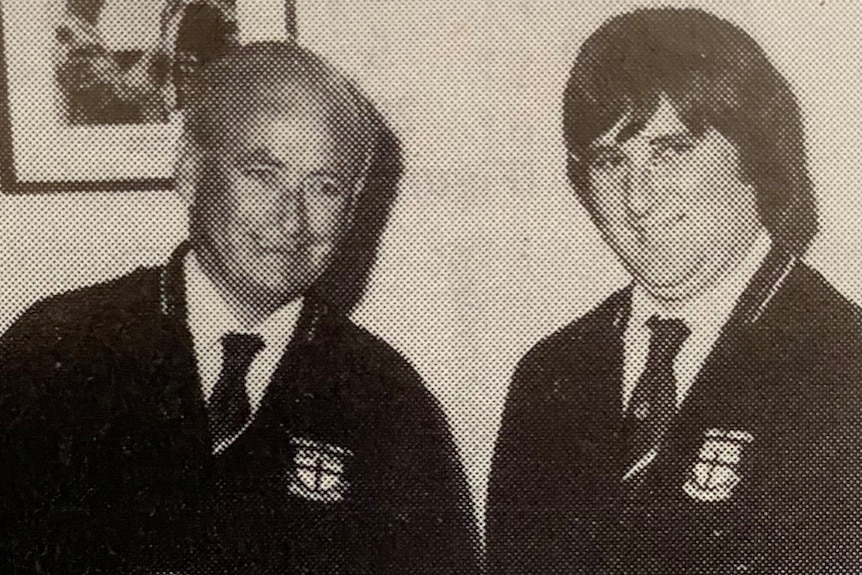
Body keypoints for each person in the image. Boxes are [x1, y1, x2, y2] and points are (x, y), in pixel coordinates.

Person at [0, 41, 478, 575]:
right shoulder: (55, 349)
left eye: (324, 188)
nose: (292, 220)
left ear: (350, 212)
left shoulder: (387, 398)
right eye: (262, 174)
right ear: (189, 173)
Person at [486, 8, 862, 574]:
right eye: (610, 162)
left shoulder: (844, 364)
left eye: (670, 152)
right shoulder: (549, 375)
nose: (637, 199)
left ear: (754, 155)